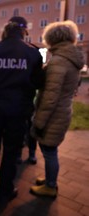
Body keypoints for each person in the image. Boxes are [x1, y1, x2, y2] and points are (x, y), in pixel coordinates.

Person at [0, 16, 44, 202]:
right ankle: (5, 190)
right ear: (24, 31)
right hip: (18, 112)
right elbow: (39, 82)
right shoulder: (33, 53)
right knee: (11, 152)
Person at [29, 20, 85, 198]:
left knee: (49, 151)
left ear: (52, 38)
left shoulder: (59, 62)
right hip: (62, 111)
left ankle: (50, 186)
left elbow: (50, 97)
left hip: (53, 115)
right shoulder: (69, 59)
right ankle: (49, 179)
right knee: (50, 150)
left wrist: (39, 122)